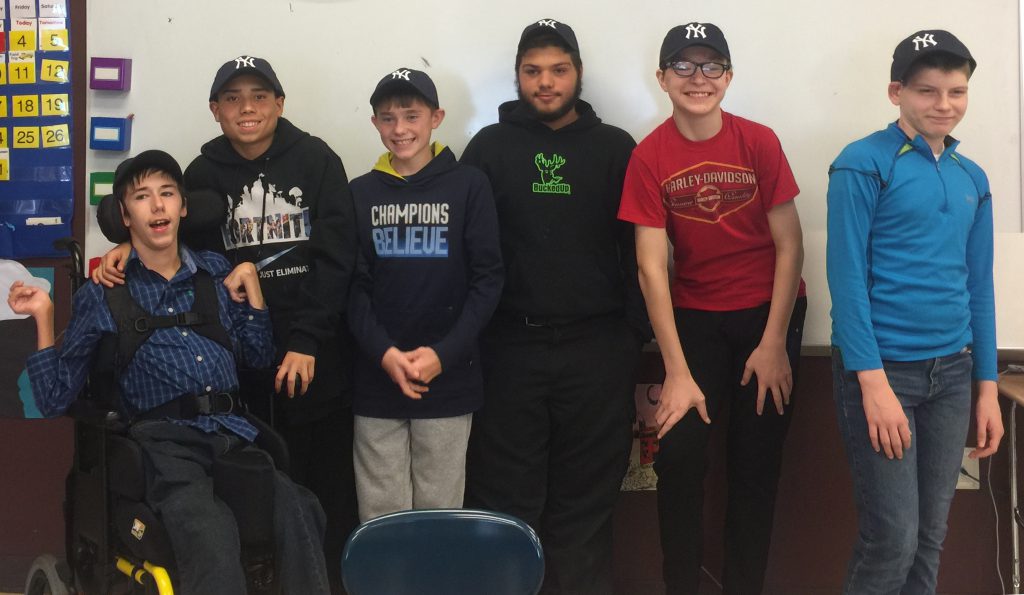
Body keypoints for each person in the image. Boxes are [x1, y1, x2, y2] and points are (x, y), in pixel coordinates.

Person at [92, 56, 359, 590]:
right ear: (215, 110)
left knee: (314, 502)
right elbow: (173, 241)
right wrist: (128, 241)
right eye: (232, 98)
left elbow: (338, 260)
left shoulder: (317, 161)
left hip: (315, 360)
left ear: (279, 104)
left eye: (259, 96)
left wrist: (306, 340)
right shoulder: (202, 174)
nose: (247, 108)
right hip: (239, 376)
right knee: (242, 510)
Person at [10, 150, 330, 595]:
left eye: (167, 193)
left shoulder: (216, 275)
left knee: (300, 508)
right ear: (125, 214)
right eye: (142, 197)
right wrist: (44, 317)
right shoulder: (104, 295)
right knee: (209, 530)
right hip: (164, 445)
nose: (157, 206)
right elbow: (52, 398)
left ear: (183, 206)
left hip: (232, 433)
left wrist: (254, 291)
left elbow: (257, 358)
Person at [617, 22, 806, 595]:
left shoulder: (759, 141)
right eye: (683, 66)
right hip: (694, 317)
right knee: (678, 460)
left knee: (754, 467)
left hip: (767, 314)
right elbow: (651, 266)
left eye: (709, 67)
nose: (697, 79)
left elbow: (790, 244)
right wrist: (675, 372)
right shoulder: (649, 156)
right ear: (662, 78)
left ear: (727, 77)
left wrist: (773, 343)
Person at [461, 19, 648, 595]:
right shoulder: (488, 148)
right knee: (508, 501)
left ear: (579, 73)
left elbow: (641, 253)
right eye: (533, 71)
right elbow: (468, 253)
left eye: (558, 70)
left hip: (597, 351)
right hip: (508, 351)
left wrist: (634, 340)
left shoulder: (616, 147)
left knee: (587, 501)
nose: (545, 83)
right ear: (518, 76)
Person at [827, 30, 1002, 593]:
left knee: (931, 536)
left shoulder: (972, 176)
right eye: (928, 91)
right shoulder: (861, 164)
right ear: (896, 92)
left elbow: (979, 287)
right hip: (884, 375)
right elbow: (846, 279)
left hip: (952, 375)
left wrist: (987, 387)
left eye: (957, 91)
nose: (944, 105)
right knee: (893, 538)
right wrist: (872, 384)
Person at [346, 68, 503, 521]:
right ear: (374, 123)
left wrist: (443, 354)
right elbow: (353, 287)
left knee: (441, 510)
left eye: (412, 116)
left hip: (449, 378)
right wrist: (384, 353)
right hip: (378, 378)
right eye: (388, 118)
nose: (400, 130)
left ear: (436, 117)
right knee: (381, 513)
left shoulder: (469, 186)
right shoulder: (359, 193)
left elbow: (488, 279)